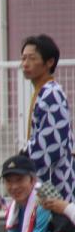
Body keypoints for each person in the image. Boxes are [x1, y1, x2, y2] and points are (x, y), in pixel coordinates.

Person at [21, 35, 74, 202]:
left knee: (54, 222)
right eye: (23, 58)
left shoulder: (51, 94)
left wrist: (25, 160)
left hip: (54, 178)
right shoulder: (44, 92)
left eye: (32, 58)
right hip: (49, 177)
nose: (25, 64)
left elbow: (52, 143)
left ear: (49, 62)